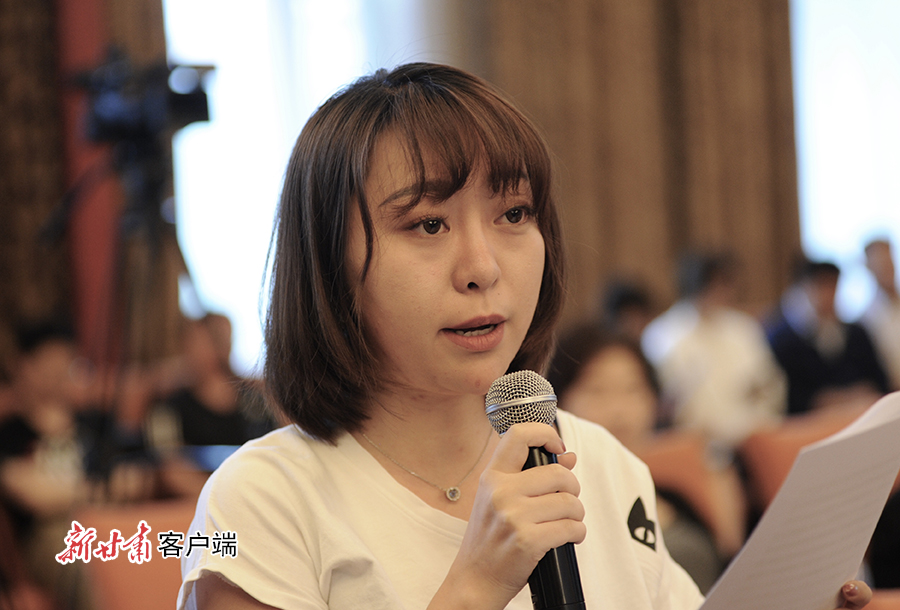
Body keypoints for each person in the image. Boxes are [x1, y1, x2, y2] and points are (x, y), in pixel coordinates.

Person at [178, 63, 871, 610]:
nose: (482, 268)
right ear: (330, 265)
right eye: (428, 224)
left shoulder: (598, 460)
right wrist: (475, 586)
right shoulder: (258, 501)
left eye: (513, 214)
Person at [547, 323, 745, 593]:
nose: (619, 410)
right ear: (558, 404)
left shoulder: (673, 495)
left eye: (633, 389)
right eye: (597, 390)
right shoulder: (561, 514)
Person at [641, 252, 787, 457]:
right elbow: (666, 404)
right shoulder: (664, 335)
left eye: (726, 284)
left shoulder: (742, 327)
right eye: (713, 284)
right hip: (696, 444)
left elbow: (769, 383)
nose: (721, 292)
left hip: (752, 438)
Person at [766, 259, 889, 415]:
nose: (828, 293)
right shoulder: (783, 339)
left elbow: (880, 381)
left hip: (861, 414)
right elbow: (786, 396)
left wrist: (856, 394)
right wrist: (823, 400)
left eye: (833, 285)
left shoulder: (857, 333)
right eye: (821, 285)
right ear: (803, 289)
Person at [860, 238, 900, 391]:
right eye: (880, 264)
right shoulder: (867, 319)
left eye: (888, 261)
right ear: (869, 267)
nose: (886, 268)